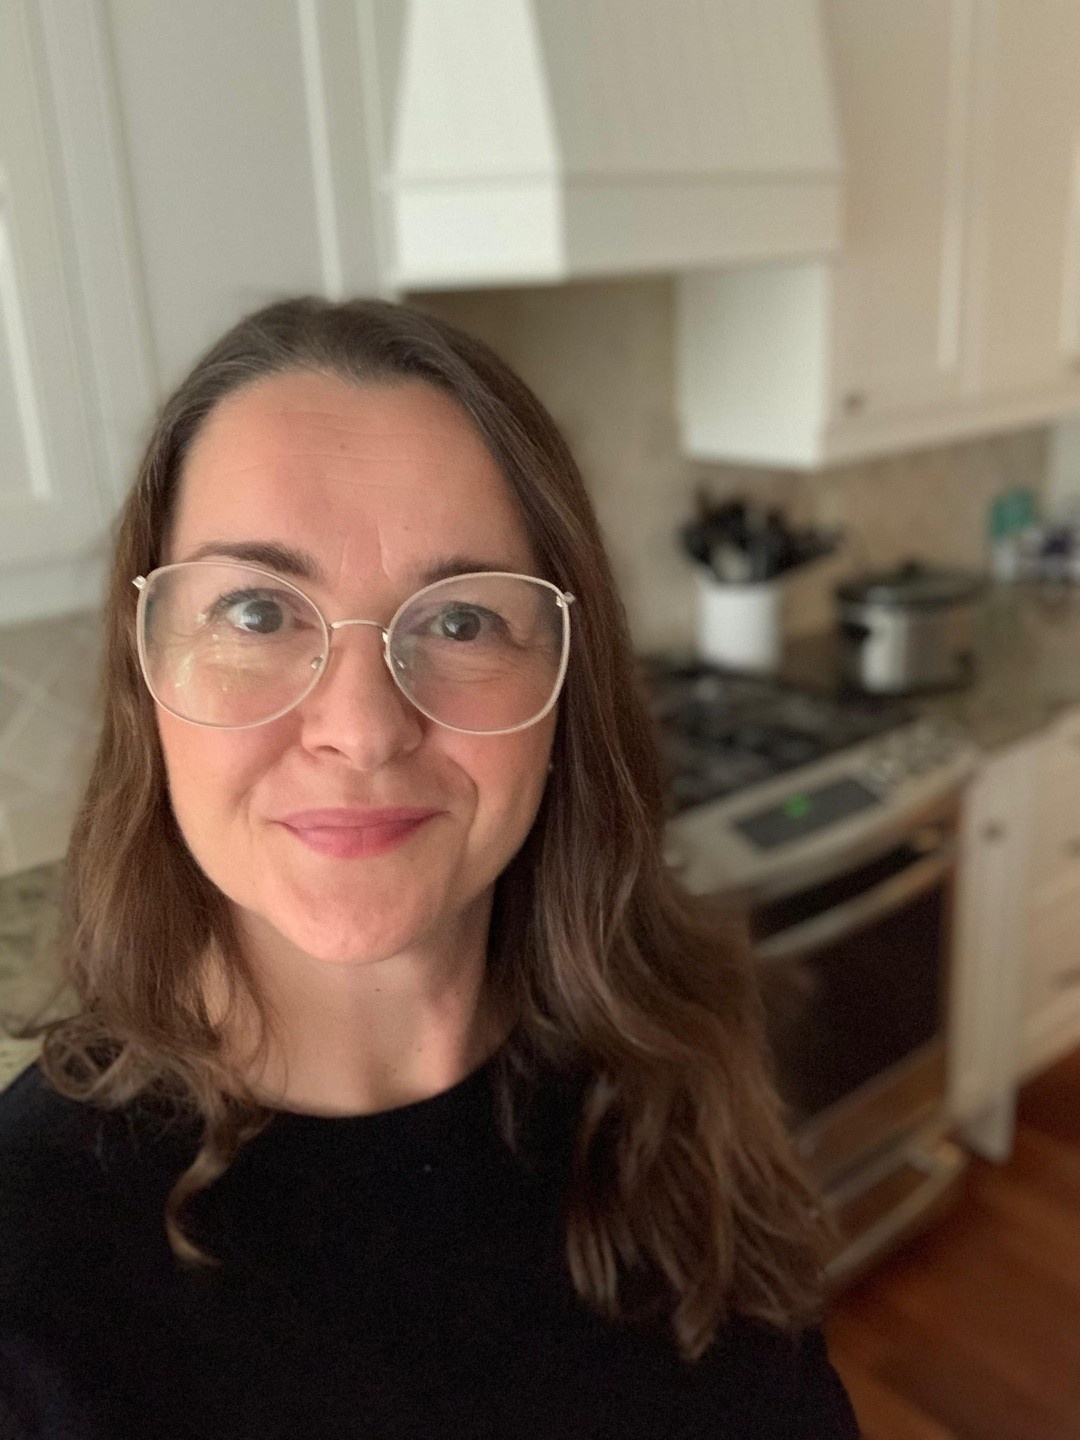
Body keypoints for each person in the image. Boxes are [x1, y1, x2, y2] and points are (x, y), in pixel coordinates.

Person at [0, 297, 859, 1439]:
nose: (361, 727)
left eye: (459, 622)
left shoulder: (667, 1070)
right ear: (146, 673)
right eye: (257, 611)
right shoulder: (29, 1264)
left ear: (565, 681)